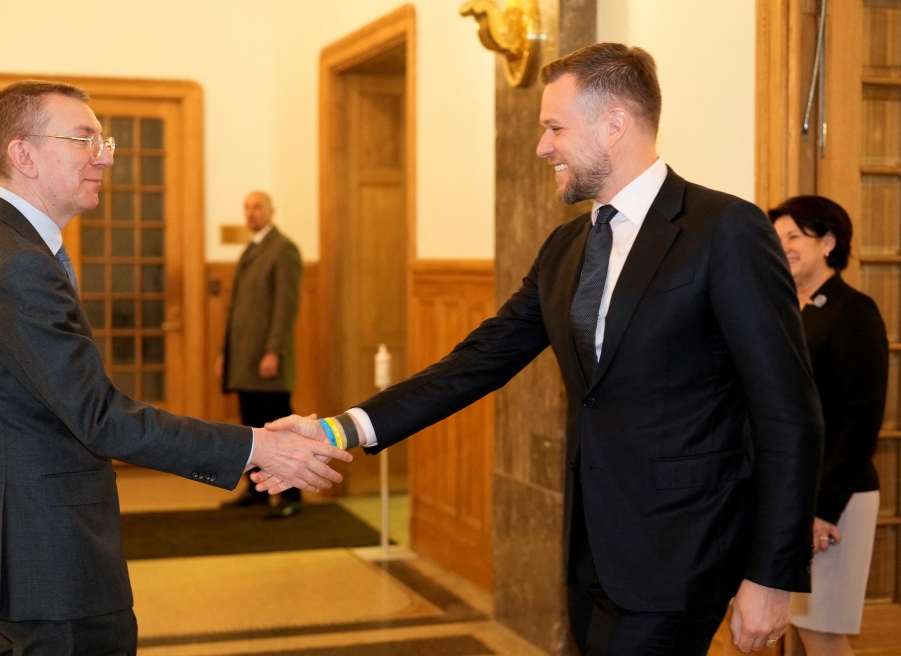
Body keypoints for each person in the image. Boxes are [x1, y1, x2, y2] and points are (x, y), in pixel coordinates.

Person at [262, 43, 823, 655]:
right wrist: (339, 429)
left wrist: (772, 574)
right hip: (589, 555)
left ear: (615, 125)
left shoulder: (724, 229)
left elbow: (788, 414)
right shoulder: (565, 248)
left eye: (556, 128)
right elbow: (475, 363)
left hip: (685, 553)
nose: (542, 147)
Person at [0, 80, 351, 656]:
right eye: (83, 139)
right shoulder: (17, 264)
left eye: (104, 141)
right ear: (23, 155)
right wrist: (256, 447)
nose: (103, 156)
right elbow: (101, 419)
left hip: (18, 532)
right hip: (48, 544)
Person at [770, 196, 887, 656]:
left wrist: (824, 508)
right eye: (777, 238)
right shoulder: (786, 309)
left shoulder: (853, 310)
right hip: (793, 495)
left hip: (837, 498)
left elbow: (863, 419)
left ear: (829, 242)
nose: (783, 246)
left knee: (821, 631)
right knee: (790, 625)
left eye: (794, 236)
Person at [216, 191, 304, 517]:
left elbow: (285, 307)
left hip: (267, 360)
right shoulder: (250, 249)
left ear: (271, 211)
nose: (251, 213)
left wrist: (273, 351)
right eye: (247, 208)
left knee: (280, 428)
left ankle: (292, 494)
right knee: (252, 429)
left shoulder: (283, 249)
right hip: (244, 359)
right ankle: (258, 489)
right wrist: (225, 353)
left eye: (258, 207)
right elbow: (236, 310)